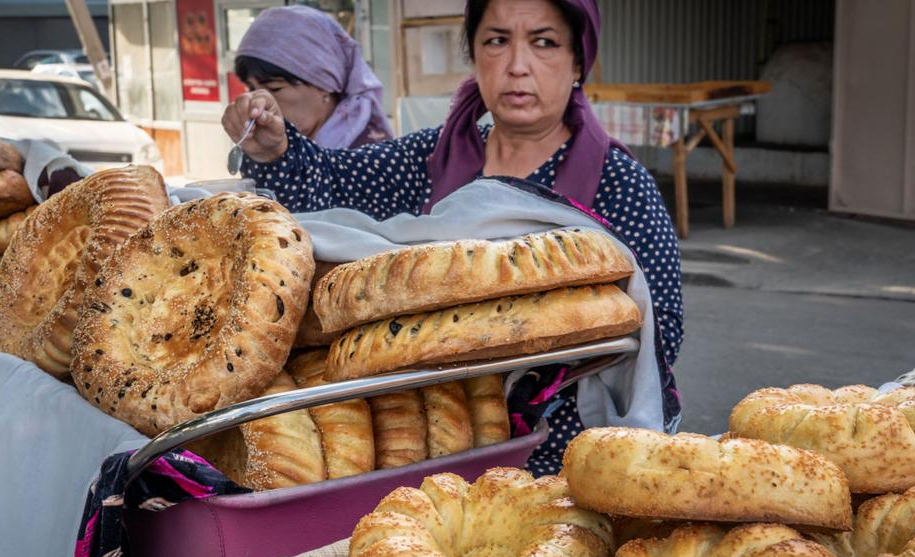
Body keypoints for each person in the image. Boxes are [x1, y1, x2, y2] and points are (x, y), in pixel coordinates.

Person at [223, 0, 684, 475]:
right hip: (431, 449)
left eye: (544, 43)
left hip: (561, 456)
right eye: (496, 41)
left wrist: (530, 350)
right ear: (475, 54)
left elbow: (660, 324)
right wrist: (278, 149)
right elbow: (330, 183)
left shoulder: (618, 183)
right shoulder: (432, 157)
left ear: (577, 62)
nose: (517, 66)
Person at [224, 5, 393, 150]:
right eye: (252, 88)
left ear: (324, 85)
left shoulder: (364, 155)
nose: (261, 101)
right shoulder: (276, 149)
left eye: (275, 88)